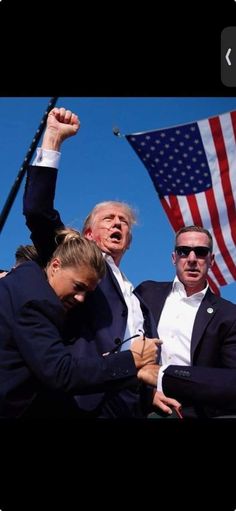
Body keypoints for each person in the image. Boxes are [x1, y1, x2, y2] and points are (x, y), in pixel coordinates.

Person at [23, 106, 168, 418]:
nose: (116, 224)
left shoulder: (137, 296)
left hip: (130, 405)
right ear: (88, 232)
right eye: (108, 219)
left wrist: (149, 393)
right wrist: (53, 141)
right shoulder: (75, 260)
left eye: (123, 222)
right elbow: (37, 212)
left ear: (129, 239)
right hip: (81, 400)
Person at [0, 226, 158, 418]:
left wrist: (129, 374)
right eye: (78, 287)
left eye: (87, 293)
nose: (81, 298)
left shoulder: (22, 283)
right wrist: (131, 360)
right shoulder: (36, 302)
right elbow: (60, 373)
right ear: (55, 266)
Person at [136, 225, 236, 418]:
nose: (191, 259)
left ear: (211, 260)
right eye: (184, 251)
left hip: (196, 412)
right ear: (174, 258)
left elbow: (231, 379)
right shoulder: (146, 293)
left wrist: (164, 375)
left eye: (200, 252)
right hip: (142, 404)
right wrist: (148, 393)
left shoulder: (229, 314)